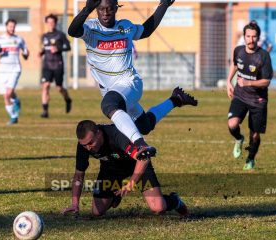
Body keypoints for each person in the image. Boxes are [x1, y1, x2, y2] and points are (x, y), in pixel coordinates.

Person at [68, 0, 188, 160]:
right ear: (96, 9)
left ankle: (140, 144)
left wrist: (164, 4)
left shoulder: (126, 26)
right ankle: (175, 99)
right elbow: (72, 31)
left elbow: (146, 30)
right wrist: (86, 9)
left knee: (108, 106)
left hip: (129, 83)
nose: (105, 12)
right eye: (101, 9)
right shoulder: (90, 28)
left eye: (109, 8)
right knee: (144, 125)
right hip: (112, 91)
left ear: (116, 8)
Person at [61, 120, 190, 218]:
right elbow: (79, 175)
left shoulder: (117, 135)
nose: (88, 148)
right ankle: (115, 195)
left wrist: (131, 183)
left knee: (158, 208)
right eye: (84, 145)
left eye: (90, 143)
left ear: (99, 133)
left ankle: (174, 201)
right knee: (97, 212)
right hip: (111, 168)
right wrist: (75, 203)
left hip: (137, 165)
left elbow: (143, 158)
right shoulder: (83, 146)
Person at [226, 21, 273, 171]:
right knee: (232, 124)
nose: (251, 40)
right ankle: (239, 139)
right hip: (240, 95)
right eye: (248, 36)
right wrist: (228, 81)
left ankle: (250, 158)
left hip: (258, 100)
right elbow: (235, 64)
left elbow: (266, 81)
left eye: (254, 37)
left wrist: (248, 83)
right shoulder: (238, 50)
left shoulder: (264, 56)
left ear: (258, 38)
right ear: (244, 37)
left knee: (254, 135)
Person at [0, 19, 29, 125]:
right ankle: (14, 110)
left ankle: (14, 116)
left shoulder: (19, 39)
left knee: (8, 93)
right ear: (6, 27)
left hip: (15, 69)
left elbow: (26, 55)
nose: (12, 28)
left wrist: (26, 53)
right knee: (6, 95)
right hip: (3, 71)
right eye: (10, 26)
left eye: (14, 26)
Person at [39, 14, 72, 118]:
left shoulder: (60, 35)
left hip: (58, 65)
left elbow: (68, 47)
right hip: (47, 65)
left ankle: (67, 99)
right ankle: (45, 111)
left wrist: (58, 49)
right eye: (48, 22)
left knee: (59, 88)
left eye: (52, 22)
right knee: (46, 85)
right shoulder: (44, 36)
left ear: (55, 23)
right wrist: (41, 53)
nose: (50, 24)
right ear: (46, 23)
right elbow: (45, 48)